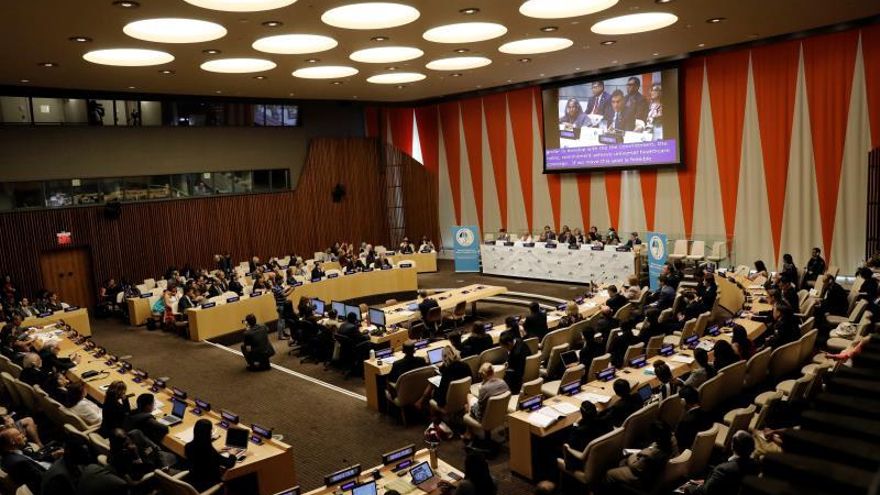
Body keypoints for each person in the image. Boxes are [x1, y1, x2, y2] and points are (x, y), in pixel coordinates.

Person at [604, 421, 674, 491]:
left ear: (656, 437)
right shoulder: (672, 441)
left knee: (609, 473)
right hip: (656, 473)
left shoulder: (650, 455)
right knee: (622, 462)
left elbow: (634, 466)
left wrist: (634, 455)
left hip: (645, 481)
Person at [685, 431, 760, 495]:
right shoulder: (755, 465)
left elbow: (706, 492)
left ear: (732, 446)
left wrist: (694, 488)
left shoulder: (723, 469)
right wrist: (707, 482)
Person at [184, 418, 236, 491]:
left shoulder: (188, 446)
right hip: (208, 485)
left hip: (194, 479)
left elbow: (201, 456)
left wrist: (216, 451)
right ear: (209, 433)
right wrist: (232, 454)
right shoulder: (209, 452)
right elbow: (229, 463)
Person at [0, 427, 54, 494]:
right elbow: (42, 478)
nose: (23, 435)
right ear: (12, 441)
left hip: (44, 469)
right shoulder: (19, 462)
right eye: (19, 434)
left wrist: (52, 455)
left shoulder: (13, 451)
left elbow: (35, 457)